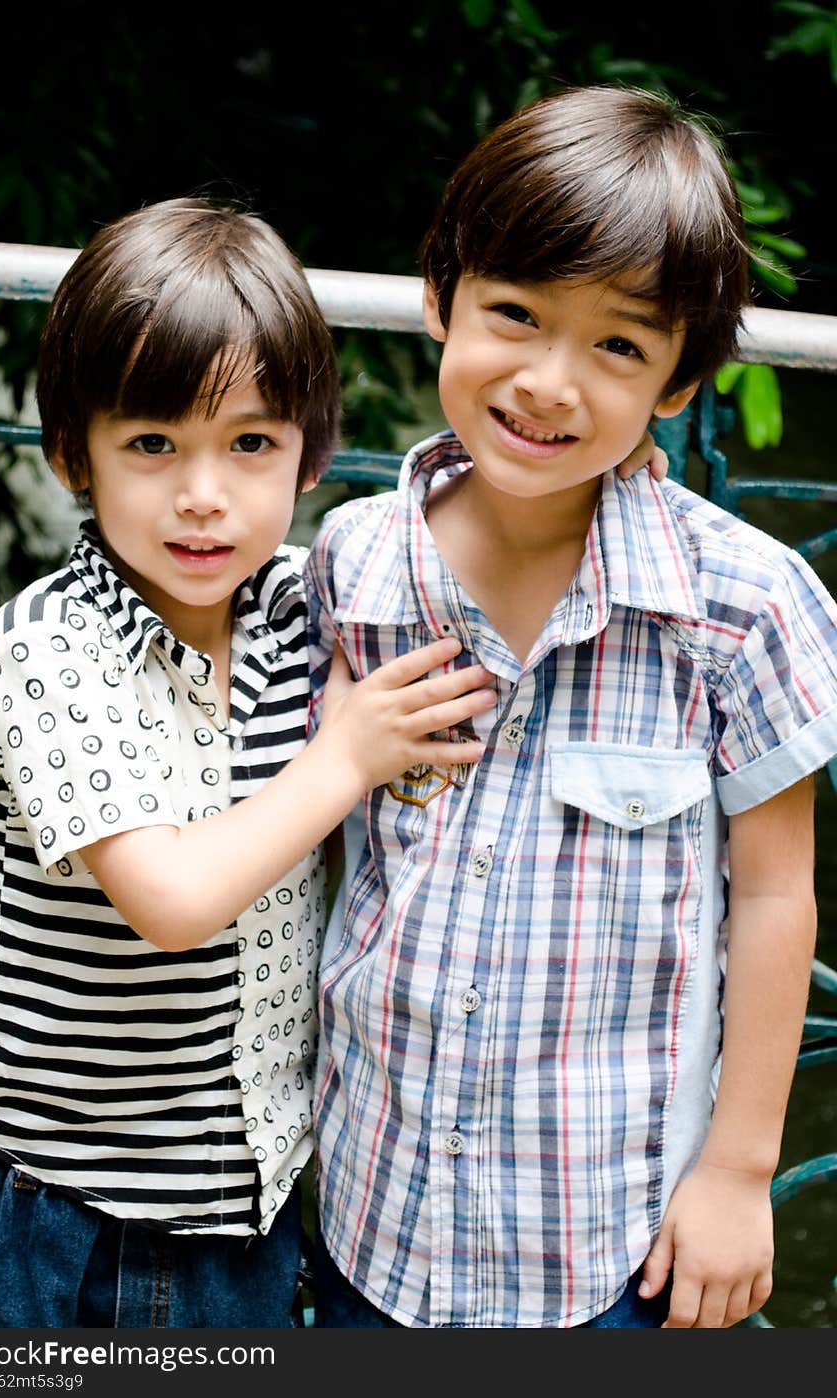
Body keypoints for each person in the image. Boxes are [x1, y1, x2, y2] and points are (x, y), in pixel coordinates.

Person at [305, 85, 837, 1329]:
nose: (548, 381)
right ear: (441, 296)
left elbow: (772, 895)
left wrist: (738, 1169)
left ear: (676, 382)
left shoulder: (741, 607)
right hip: (361, 1207)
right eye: (513, 315)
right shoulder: (351, 562)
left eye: (616, 346)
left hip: (597, 1243)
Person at [0, 196, 505, 1328]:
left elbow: (479, 555)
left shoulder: (300, 609)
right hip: (59, 1214)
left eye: (250, 442)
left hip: (246, 1206)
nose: (204, 494)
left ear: (309, 456)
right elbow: (171, 897)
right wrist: (346, 757)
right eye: (153, 444)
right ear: (73, 455)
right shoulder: (50, 650)